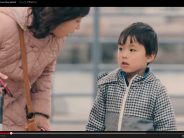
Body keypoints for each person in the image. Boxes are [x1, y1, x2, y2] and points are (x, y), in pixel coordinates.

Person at [0, 7, 90, 131]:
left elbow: (45, 73)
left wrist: (40, 113)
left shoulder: (58, 39)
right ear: (62, 16)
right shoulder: (5, 24)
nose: (78, 27)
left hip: (15, 116)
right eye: (77, 21)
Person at [85, 22, 177, 131]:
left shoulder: (156, 91)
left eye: (132, 50)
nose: (124, 54)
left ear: (150, 56)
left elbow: (167, 128)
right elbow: (94, 125)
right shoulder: (108, 84)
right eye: (121, 48)